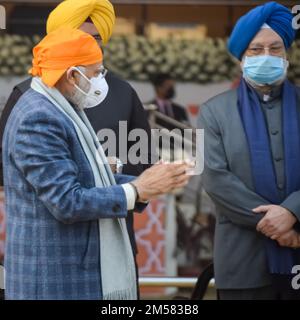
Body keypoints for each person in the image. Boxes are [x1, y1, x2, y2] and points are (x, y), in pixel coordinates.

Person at [3, 27, 192, 300]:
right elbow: (66, 200)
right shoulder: (39, 117)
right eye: (94, 73)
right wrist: (136, 190)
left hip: (70, 273)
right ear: (72, 75)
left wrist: (149, 185)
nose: (98, 82)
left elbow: (84, 178)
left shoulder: (59, 105)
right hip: (56, 279)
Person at [0, 0, 151, 276]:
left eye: (94, 38)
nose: (89, 44)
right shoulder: (29, 97)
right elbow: (5, 169)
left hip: (114, 241)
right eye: (79, 37)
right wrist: (89, 166)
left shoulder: (123, 93)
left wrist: (116, 168)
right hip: (52, 252)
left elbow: (145, 160)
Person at [198, 1, 300, 300]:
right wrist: (278, 226)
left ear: (286, 54)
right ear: (241, 57)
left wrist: (292, 211)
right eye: (256, 50)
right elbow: (215, 179)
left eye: (275, 48)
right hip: (242, 261)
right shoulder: (214, 111)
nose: (266, 56)